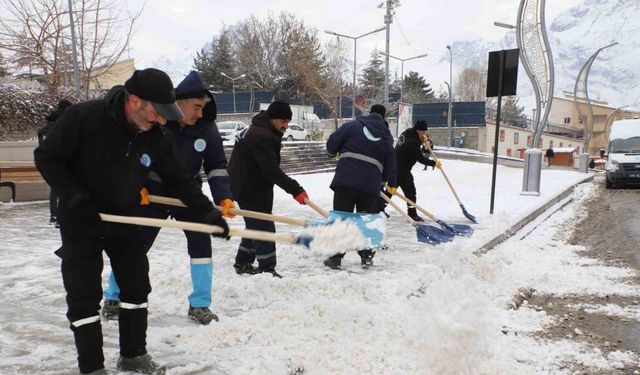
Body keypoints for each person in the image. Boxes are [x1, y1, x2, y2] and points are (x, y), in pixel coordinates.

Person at [34, 68, 229, 375]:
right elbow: (46, 157)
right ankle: (92, 367)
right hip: (82, 217)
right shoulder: (84, 118)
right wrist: (73, 197)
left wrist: (207, 212)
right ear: (135, 100)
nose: (162, 121)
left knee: (136, 284)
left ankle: (133, 355)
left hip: (123, 215)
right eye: (158, 113)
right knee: (84, 295)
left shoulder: (155, 136)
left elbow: (179, 179)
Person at [101, 71, 235, 325]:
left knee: (201, 247)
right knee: (135, 246)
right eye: (196, 107)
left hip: (189, 194)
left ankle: (200, 305)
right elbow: (136, 156)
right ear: (180, 103)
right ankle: (113, 296)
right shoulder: (159, 123)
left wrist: (223, 197)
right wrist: (137, 186)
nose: (199, 113)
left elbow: (216, 165)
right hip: (153, 193)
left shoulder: (206, 128)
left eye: (203, 108)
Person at [228, 101, 308, 278]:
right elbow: (271, 169)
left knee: (255, 223)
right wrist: (295, 190)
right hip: (248, 185)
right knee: (264, 225)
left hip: (252, 183)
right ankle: (267, 268)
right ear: (272, 118)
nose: (286, 126)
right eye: (283, 121)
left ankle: (243, 262)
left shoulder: (261, 129)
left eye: (288, 122)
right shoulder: (261, 135)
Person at [323, 104, 396, 269]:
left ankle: (335, 257)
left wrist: (332, 152)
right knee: (367, 221)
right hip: (370, 185)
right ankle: (367, 257)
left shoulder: (353, 126)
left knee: (342, 218)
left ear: (370, 114)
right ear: (383, 118)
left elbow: (333, 142)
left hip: (346, 180)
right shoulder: (386, 137)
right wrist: (382, 182)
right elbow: (391, 163)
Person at [395, 120, 441, 222]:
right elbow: (420, 158)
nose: (424, 134)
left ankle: (378, 209)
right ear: (417, 130)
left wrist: (422, 141)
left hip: (395, 166)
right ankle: (412, 214)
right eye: (422, 132)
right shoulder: (414, 142)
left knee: (390, 189)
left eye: (425, 132)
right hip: (402, 169)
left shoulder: (407, 132)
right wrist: (434, 163)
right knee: (410, 192)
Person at [38, 99, 72, 226]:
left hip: (53, 159)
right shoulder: (67, 120)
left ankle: (54, 216)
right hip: (66, 158)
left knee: (55, 189)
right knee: (66, 188)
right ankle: (61, 216)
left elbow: (40, 132)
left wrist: (42, 146)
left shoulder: (51, 121)